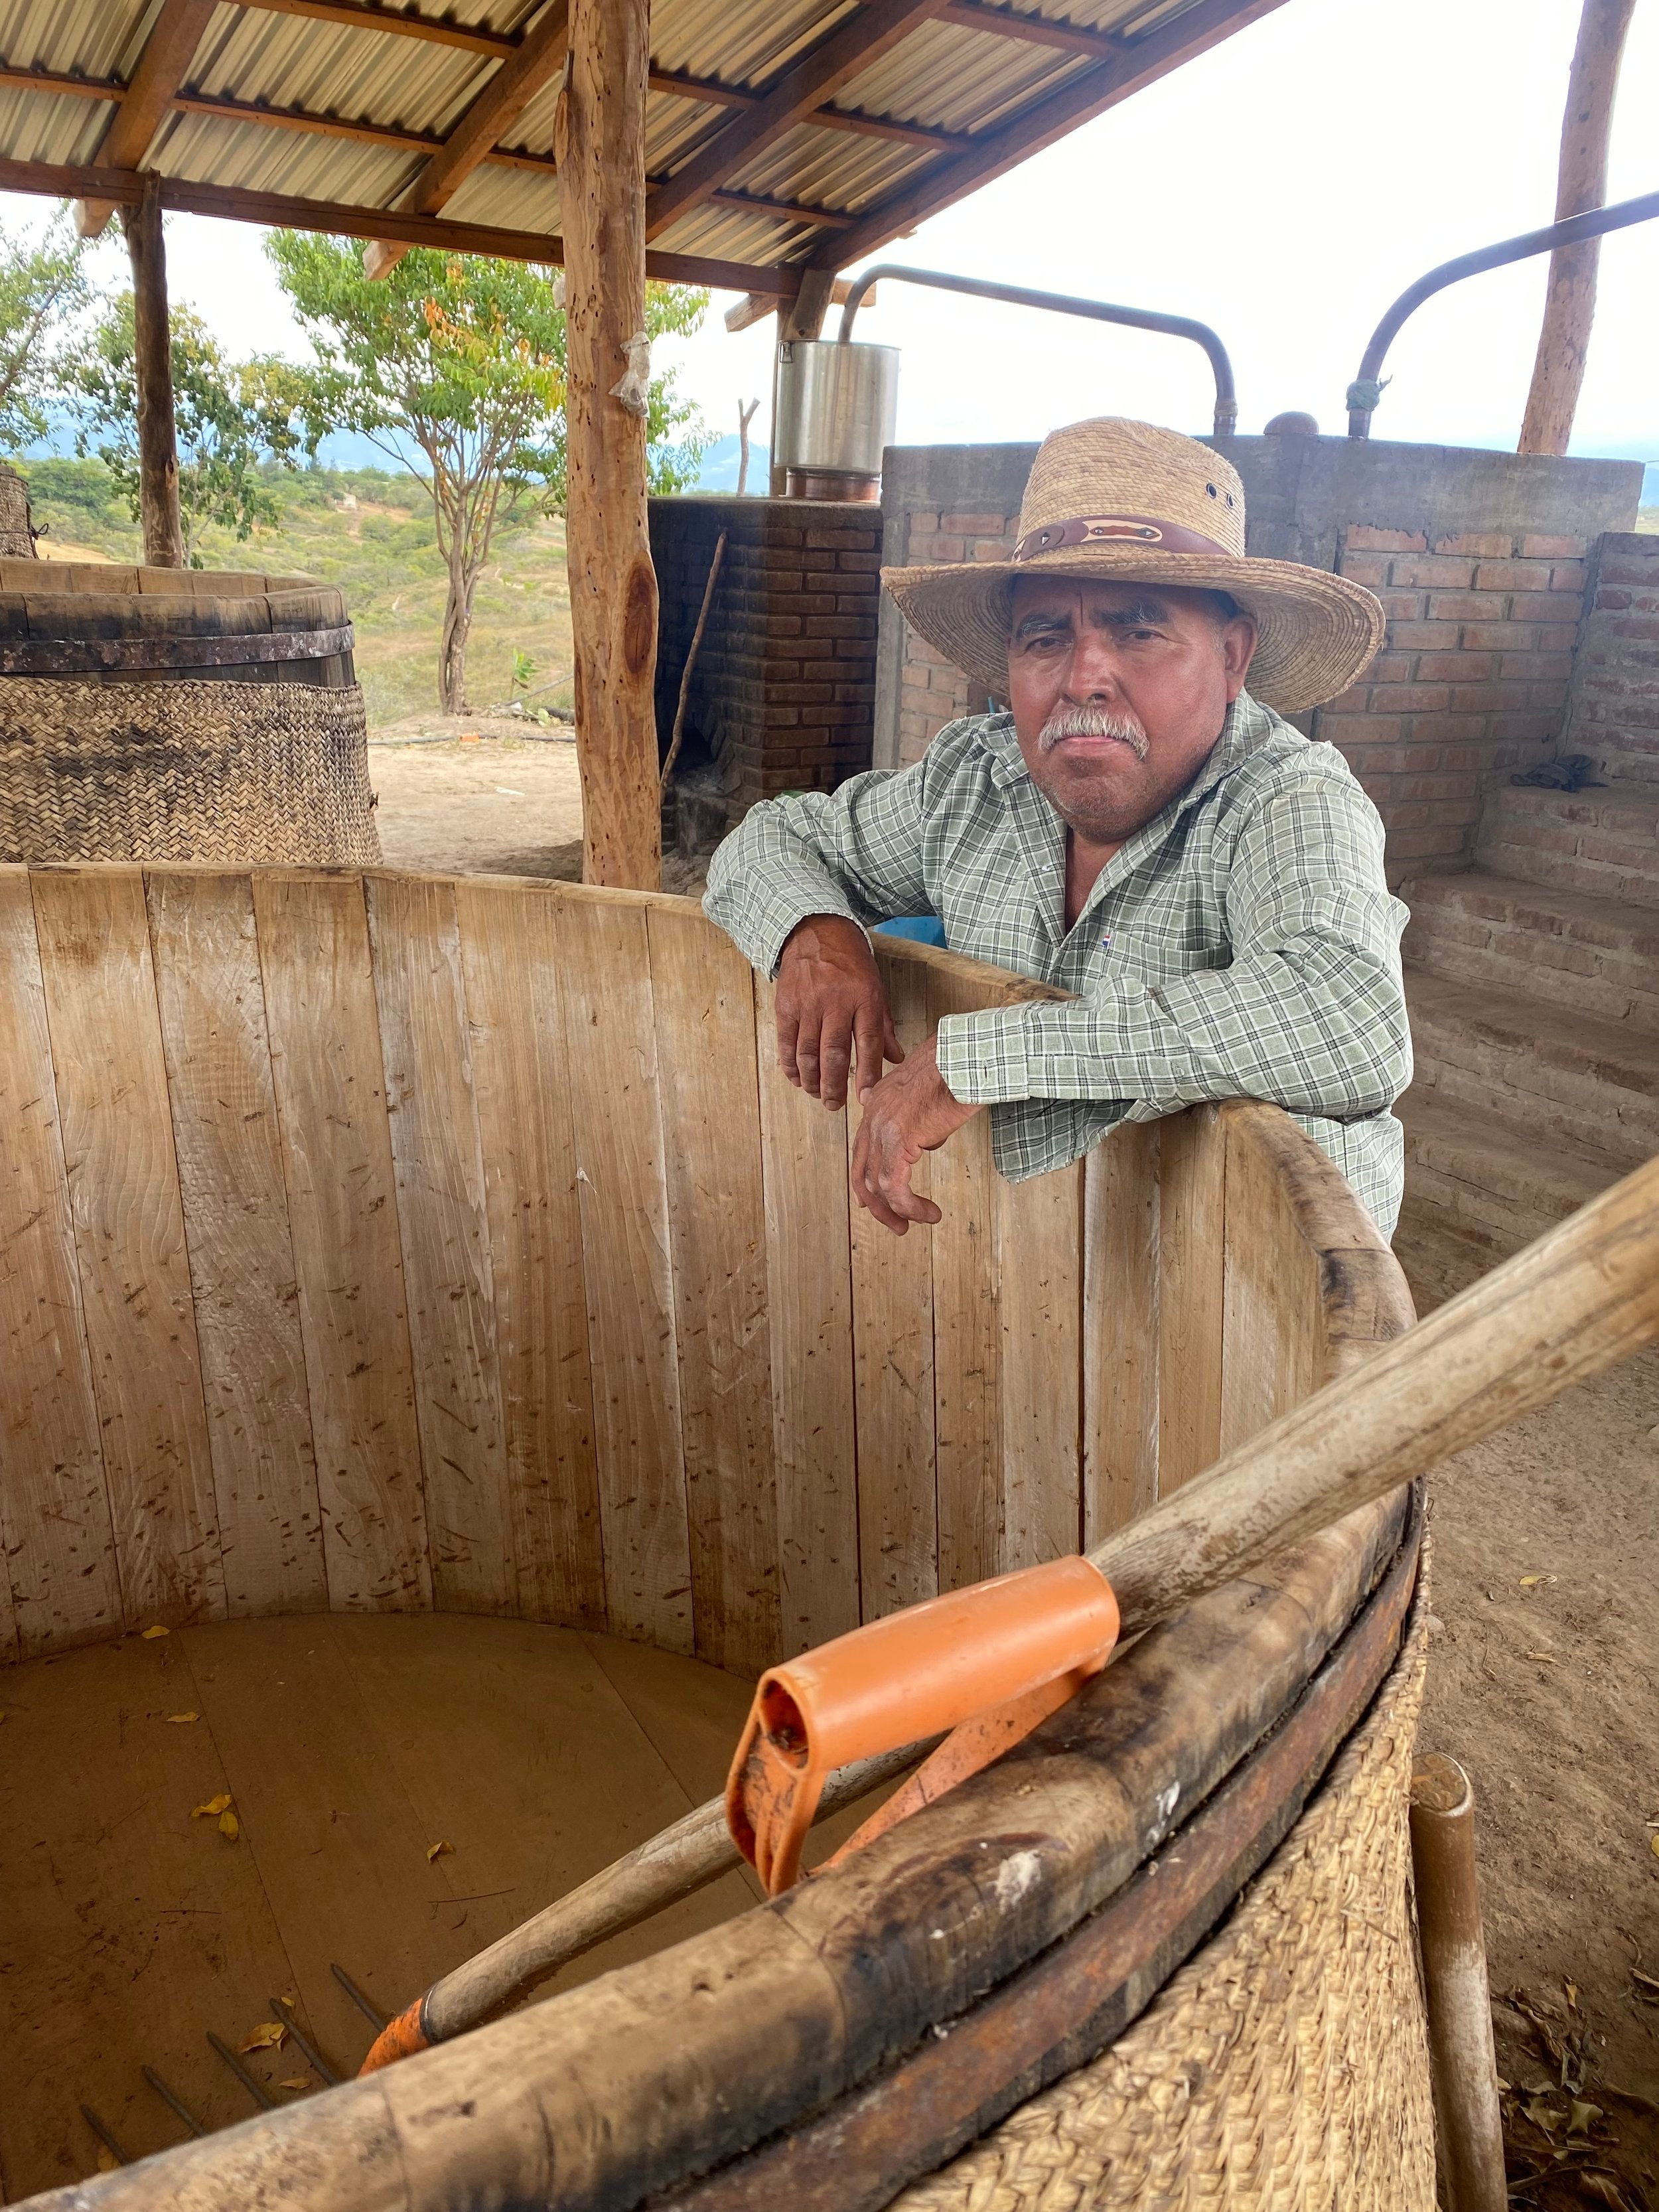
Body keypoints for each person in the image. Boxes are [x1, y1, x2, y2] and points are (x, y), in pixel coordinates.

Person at [704, 417, 1411, 1239]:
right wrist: (816, 934)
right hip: (1015, 1287)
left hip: (1240, 1320)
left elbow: (1348, 1017)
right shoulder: (974, 777)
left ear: (1232, 657)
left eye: (1138, 630)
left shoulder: (1285, 798)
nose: (1083, 678)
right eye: (1045, 636)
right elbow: (769, 840)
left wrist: (981, 1060)